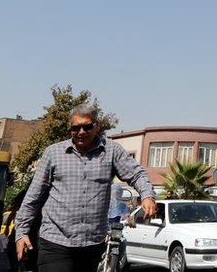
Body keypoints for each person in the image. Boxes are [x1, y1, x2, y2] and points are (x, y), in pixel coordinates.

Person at [14, 105, 158, 272]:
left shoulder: (111, 151)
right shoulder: (53, 153)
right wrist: (21, 233)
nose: (81, 132)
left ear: (96, 126)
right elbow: (33, 196)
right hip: (55, 240)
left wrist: (147, 196)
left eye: (87, 127)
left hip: (92, 243)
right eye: (75, 128)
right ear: (70, 129)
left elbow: (137, 174)